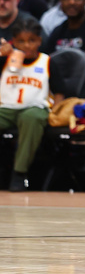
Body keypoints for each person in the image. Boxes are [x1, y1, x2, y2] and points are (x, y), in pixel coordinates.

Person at [0, 19, 65, 191]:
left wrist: (54, 112)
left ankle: (19, 173)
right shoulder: (5, 60)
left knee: (32, 117)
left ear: (39, 41)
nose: (26, 45)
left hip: (35, 108)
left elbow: (60, 92)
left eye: (31, 40)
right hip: (6, 109)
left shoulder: (47, 62)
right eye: (21, 41)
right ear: (13, 41)